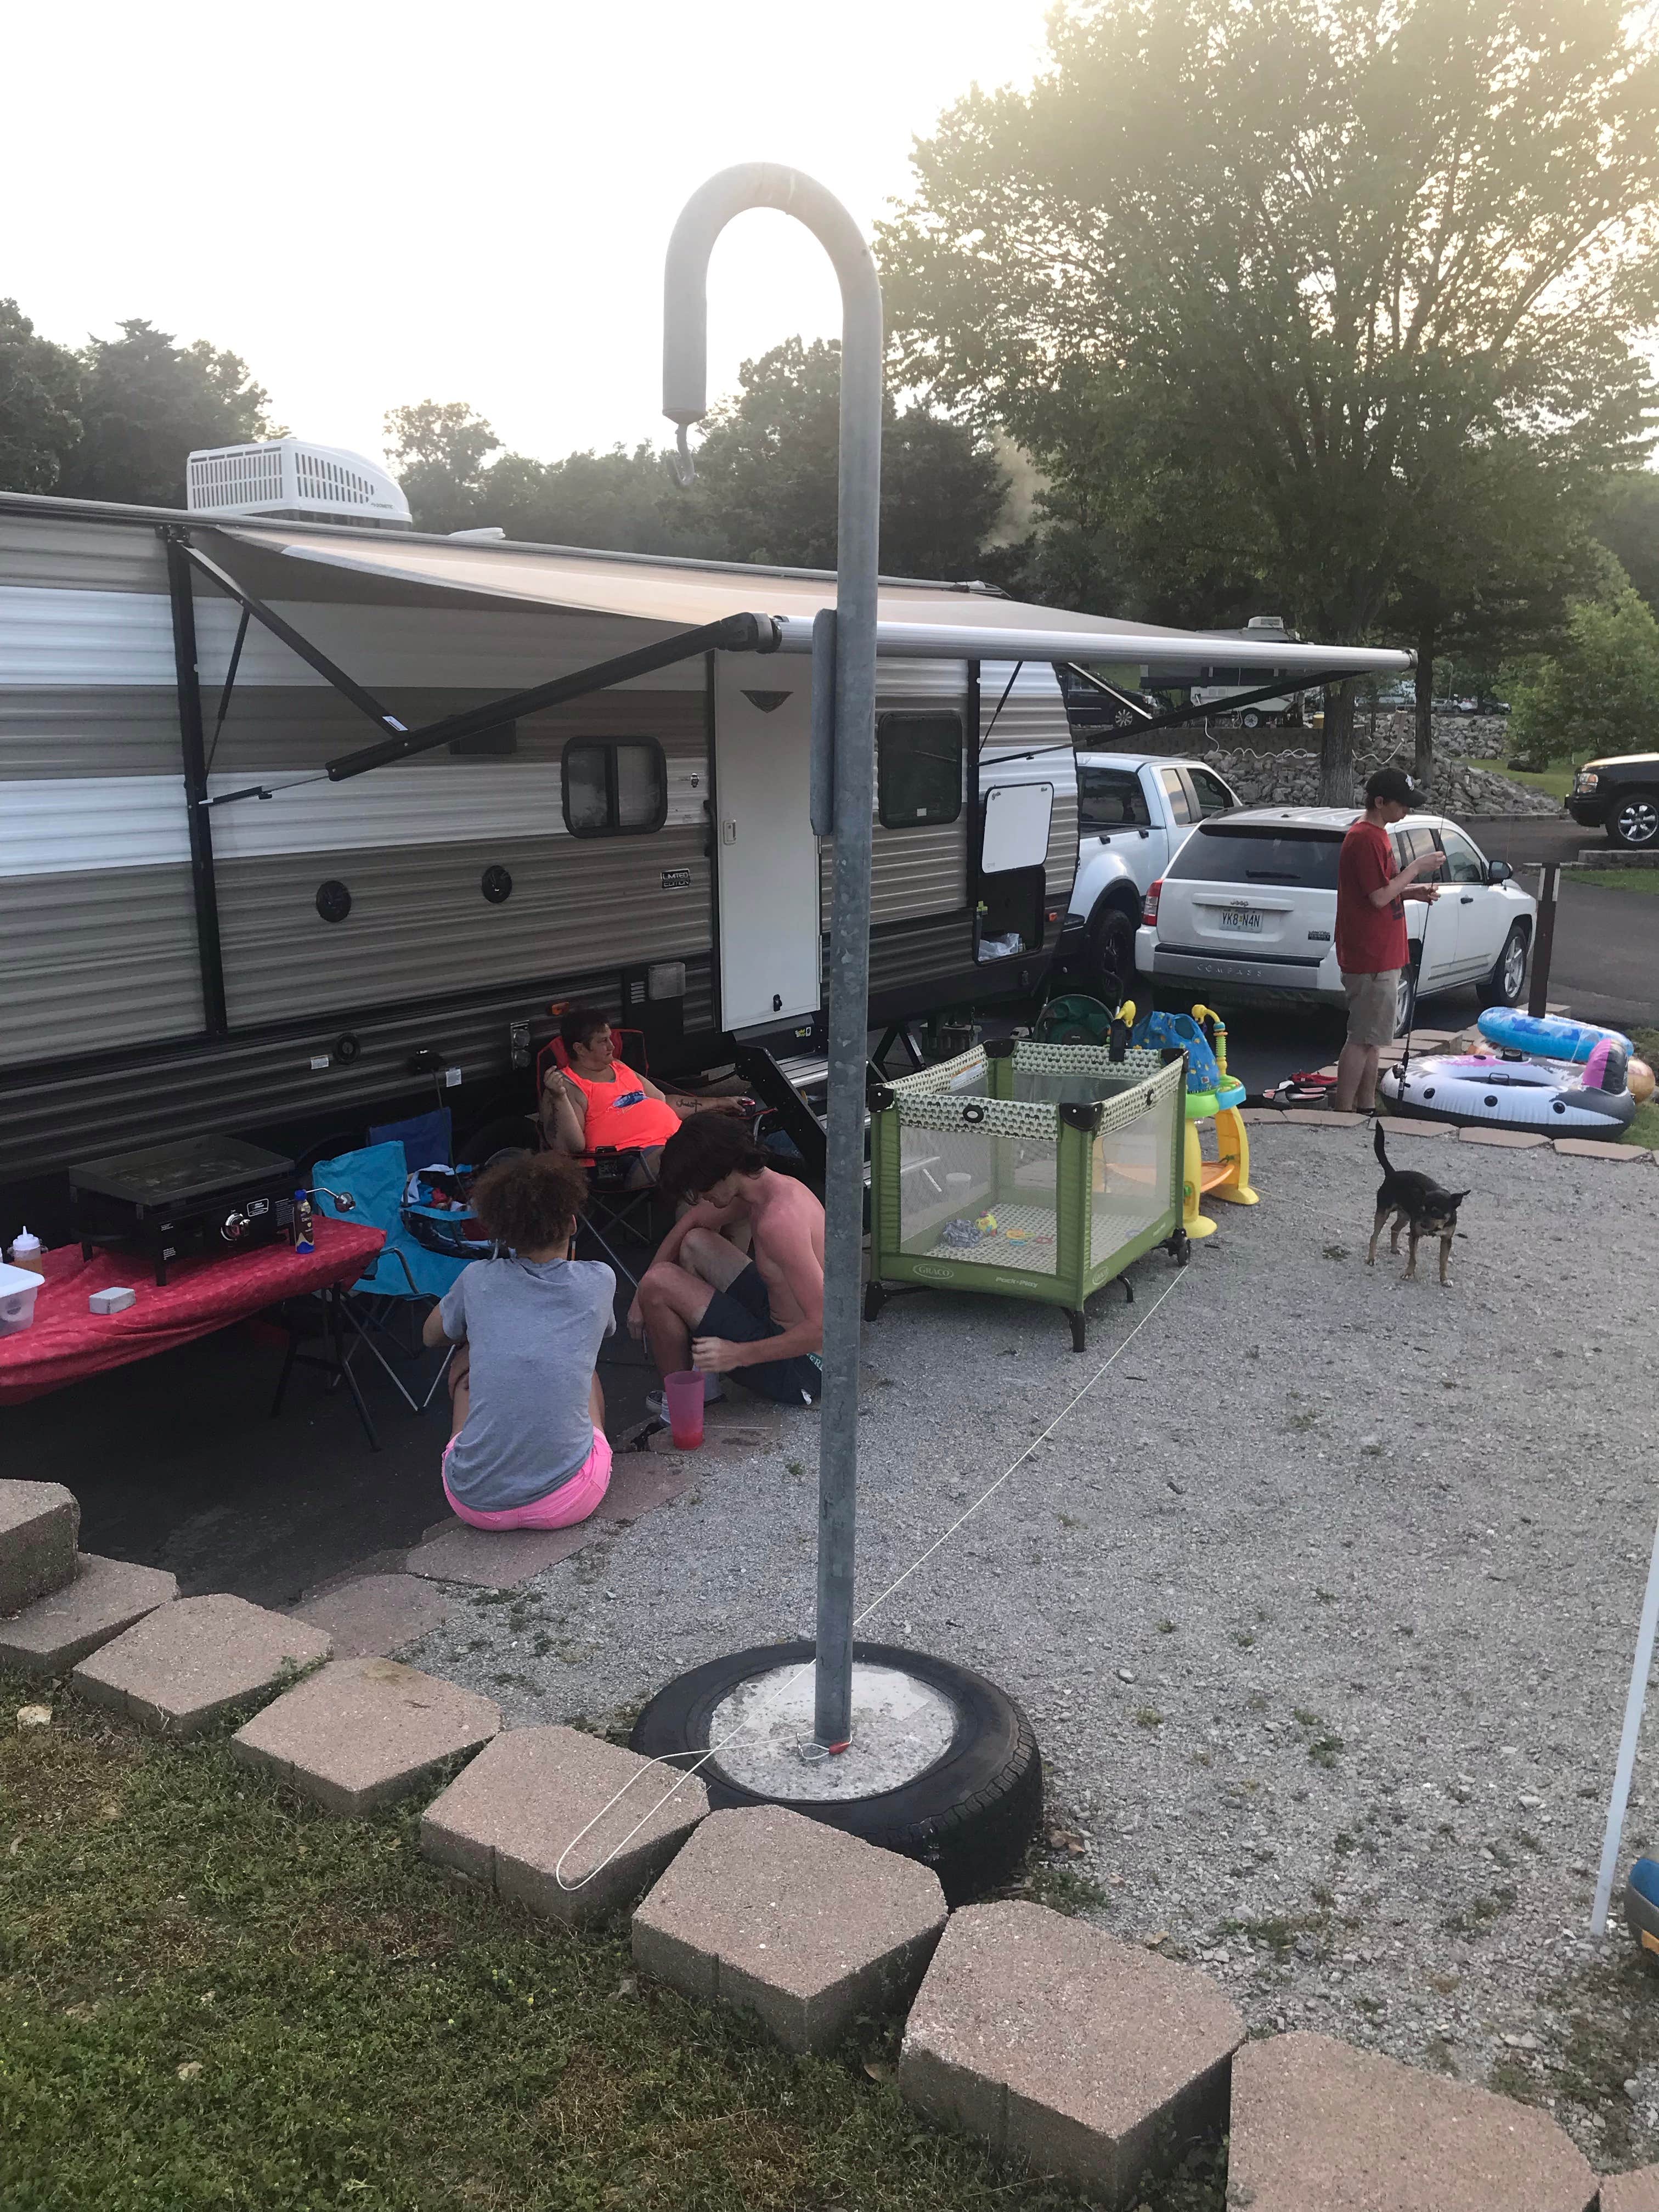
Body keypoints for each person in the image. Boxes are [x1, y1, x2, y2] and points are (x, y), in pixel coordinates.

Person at [421, 1151, 616, 1530]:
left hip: (474, 1504)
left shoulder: (477, 1279)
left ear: (502, 1232)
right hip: (570, 1501)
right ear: (572, 1223)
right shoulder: (600, 1280)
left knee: (468, 1358)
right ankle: (584, 1455)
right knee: (583, 1366)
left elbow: (431, 1336)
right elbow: (604, 1332)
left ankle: (480, 1459)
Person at [631, 1115, 824, 1408]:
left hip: (803, 1368)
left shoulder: (779, 1222)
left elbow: (827, 1326)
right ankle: (703, 1388)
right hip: (777, 1320)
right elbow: (694, 1221)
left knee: (657, 1285)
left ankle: (681, 1406)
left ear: (722, 1172)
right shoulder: (766, 1187)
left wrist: (737, 1354)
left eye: (700, 1189)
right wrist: (636, 1300)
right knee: (696, 1242)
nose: (699, 1199)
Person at [1333, 766, 1444, 1114]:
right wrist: (1417, 868)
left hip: (1384, 953)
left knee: (1376, 1039)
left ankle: (1365, 1105)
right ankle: (1343, 1111)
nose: (1407, 810)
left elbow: (1382, 891)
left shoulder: (1379, 835)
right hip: (1370, 955)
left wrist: (1413, 892)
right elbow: (1379, 898)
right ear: (1380, 802)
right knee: (1362, 1038)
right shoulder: (1364, 838)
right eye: (1403, 804)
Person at [541, 1006, 741, 1183]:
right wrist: (559, 1098)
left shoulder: (618, 1067)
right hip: (628, 1160)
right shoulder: (565, 1087)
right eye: (603, 1041)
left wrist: (719, 1102)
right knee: (704, 1165)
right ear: (580, 1049)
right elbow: (569, 1147)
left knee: (731, 1149)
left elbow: (663, 1101)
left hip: (676, 1142)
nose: (611, 1046)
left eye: (610, 1038)